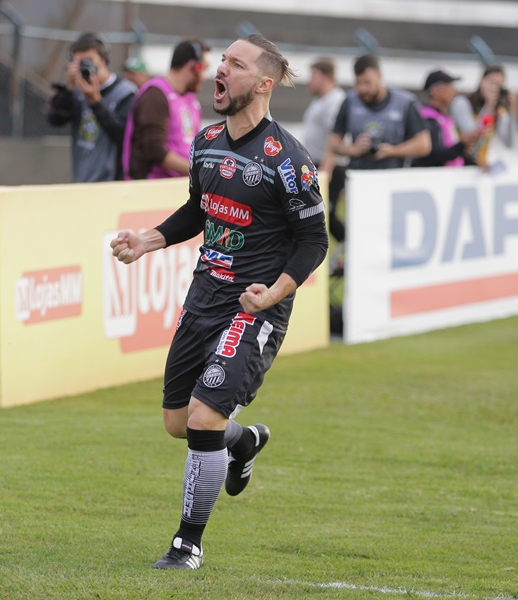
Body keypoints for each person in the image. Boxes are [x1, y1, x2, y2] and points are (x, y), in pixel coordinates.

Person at [110, 34, 328, 570]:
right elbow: (197, 208)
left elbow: (314, 240)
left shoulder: (289, 160)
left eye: (235, 64)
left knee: (205, 414)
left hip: (253, 309)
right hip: (203, 294)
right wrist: (149, 240)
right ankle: (245, 442)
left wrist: (274, 293)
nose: (219, 71)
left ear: (264, 83)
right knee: (177, 421)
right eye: (221, 62)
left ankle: (187, 543)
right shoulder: (206, 141)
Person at [327, 53, 431, 241]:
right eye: (358, 83)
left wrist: (393, 150)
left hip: (391, 184)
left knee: (388, 236)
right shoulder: (350, 101)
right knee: (360, 235)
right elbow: (334, 143)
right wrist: (353, 149)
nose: (362, 89)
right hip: (358, 183)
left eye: (367, 82)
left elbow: (424, 144)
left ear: (380, 77)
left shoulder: (405, 102)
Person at [46, 33, 137, 182]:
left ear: (103, 60)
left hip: (112, 180)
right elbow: (55, 120)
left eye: (88, 61)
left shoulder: (125, 93)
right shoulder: (77, 91)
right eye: (78, 63)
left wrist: (95, 102)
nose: (84, 67)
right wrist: (68, 88)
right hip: (82, 177)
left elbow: (124, 135)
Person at [122, 38, 210, 180]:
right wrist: (198, 171)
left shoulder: (191, 99)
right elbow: (155, 151)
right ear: (194, 66)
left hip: (178, 187)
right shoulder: (155, 95)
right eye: (204, 69)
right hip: (152, 191)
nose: (205, 76)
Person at [302, 57, 347, 239]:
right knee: (316, 214)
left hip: (329, 168)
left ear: (327, 77)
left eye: (314, 75)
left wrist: (325, 172)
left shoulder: (334, 100)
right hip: (317, 166)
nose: (309, 80)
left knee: (324, 214)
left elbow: (334, 139)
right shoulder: (320, 100)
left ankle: (352, 246)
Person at [449, 64, 518, 169]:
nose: (494, 88)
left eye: (498, 85)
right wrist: (489, 106)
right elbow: (472, 138)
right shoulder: (462, 103)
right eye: (491, 83)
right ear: (481, 81)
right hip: (459, 165)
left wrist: (512, 112)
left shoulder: (498, 112)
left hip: (480, 167)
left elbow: (510, 143)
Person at [412, 69, 483, 168]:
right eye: (449, 86)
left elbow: (453, 154)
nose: (455, 91)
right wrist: (463, 144)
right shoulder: (425, 117)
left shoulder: (445, 117)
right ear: (435, 90)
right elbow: (433, 155)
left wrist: (476, 164)